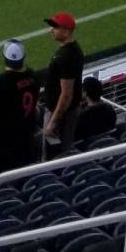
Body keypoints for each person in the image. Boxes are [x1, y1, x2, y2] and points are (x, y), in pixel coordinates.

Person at [0, 39, 41, 179]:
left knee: (5, 178)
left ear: (5, 58)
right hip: (26, 135)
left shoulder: (0, 82)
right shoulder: (33, 77)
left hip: (5, 142)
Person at [42, 12, 85, 151]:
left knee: (56, 152)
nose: (51, 30)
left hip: (61, 115)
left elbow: (66, 94)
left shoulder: (66, 56)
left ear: (66, 31)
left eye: (55, 27)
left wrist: (53, 122)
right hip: (64, 112)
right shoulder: (71, 50)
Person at [74, 76, 126, 147]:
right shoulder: (108, 108)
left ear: (85, 93)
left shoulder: (83, 115)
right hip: (110, 144)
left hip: (90, 148)